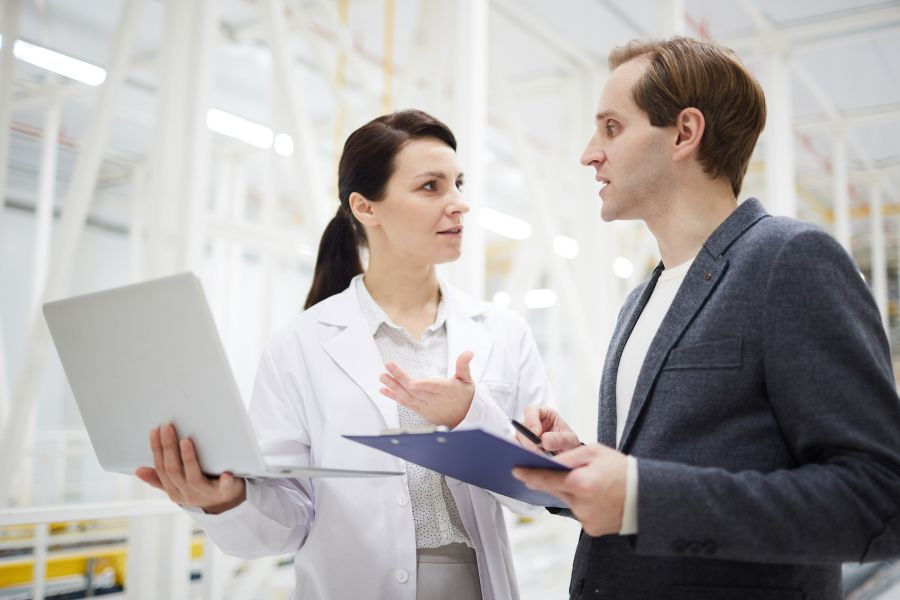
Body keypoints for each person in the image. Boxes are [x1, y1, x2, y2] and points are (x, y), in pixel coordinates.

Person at [512, 37, 900, 600]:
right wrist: (579, 468)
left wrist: (644, 495)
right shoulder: (640, 300)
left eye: (612, 128)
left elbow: (881, 499)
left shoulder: (787, 261)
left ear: (685, 133)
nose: (589, 153)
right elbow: (660, 474)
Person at [135, 109, 555, 599]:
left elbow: (539, 492)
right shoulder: (301, 343)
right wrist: (228, 499)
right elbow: (287, 522)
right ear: (366, 207)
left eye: (459, 183)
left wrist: (469, 416)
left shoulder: (503, 332)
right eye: (430, 186)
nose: (459, 204)